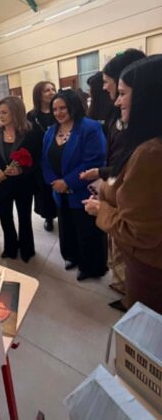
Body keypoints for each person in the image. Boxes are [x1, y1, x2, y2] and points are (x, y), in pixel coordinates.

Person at [84, 55, 162, 313]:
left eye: (123, 93)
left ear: (147, 98)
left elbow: (139, 233)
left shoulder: (151, 153)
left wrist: (100, 209)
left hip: (150, 268)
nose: (117, 101)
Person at [80, 49, 146, 297]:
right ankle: (124, 288)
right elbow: (119, 162)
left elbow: (129, 168)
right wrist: (102, 174)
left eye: (111, 84)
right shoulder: (118, 115)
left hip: (129, 210)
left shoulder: (148, 145)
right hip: (115, 191)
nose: (108, 90)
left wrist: (102, 206)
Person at [42, 89, 107, 280]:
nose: (58, 112)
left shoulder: (90, 128)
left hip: (83, 192)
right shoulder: (51, 131)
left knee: (87, 230)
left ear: (73, 106)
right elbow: (44, 160)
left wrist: (68, 182)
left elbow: (94, 161)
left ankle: (91, 267)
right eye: (55, 109)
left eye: (63, 108)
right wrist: (54, 182)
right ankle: (71, 256)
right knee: (67, 227)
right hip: (59, 192)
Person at [0, 96, 41, 262]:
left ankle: (27, 249)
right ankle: (10, 248)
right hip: (2, 184)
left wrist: (22, 170)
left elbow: (38, 159)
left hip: (23, 184)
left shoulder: (31, 133)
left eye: (4, 113)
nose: (0, 116)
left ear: (16, 112)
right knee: (5, 217)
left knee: (24, 218)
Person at [26, 81, 57, 232]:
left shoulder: (58, 111)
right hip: (40, 160)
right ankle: (48, 217)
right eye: (47, 90)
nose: (51, 92)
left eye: (53, 89)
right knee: (44, 191)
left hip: (58, 157)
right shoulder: (32, 116)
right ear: (38, 95)